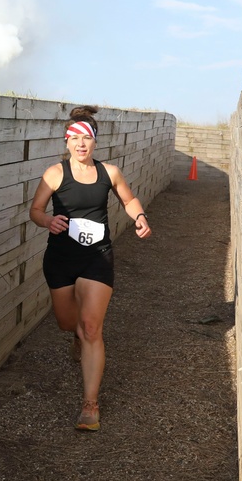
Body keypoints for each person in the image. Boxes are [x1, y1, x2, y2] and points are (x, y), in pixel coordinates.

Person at [29, 106, 151, 430]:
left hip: (97, 256)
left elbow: (129, 200)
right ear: (67, 142)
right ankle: (76, 338)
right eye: (76, 138)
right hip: (60, 259)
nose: (81, 144)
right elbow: (35, 209)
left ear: (95, 142)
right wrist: (47, 220)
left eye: (87, 138)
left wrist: (139, 217)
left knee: (92, 328)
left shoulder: (109, 173)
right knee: (68, 322)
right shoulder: (55, 174)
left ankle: (90, 405)